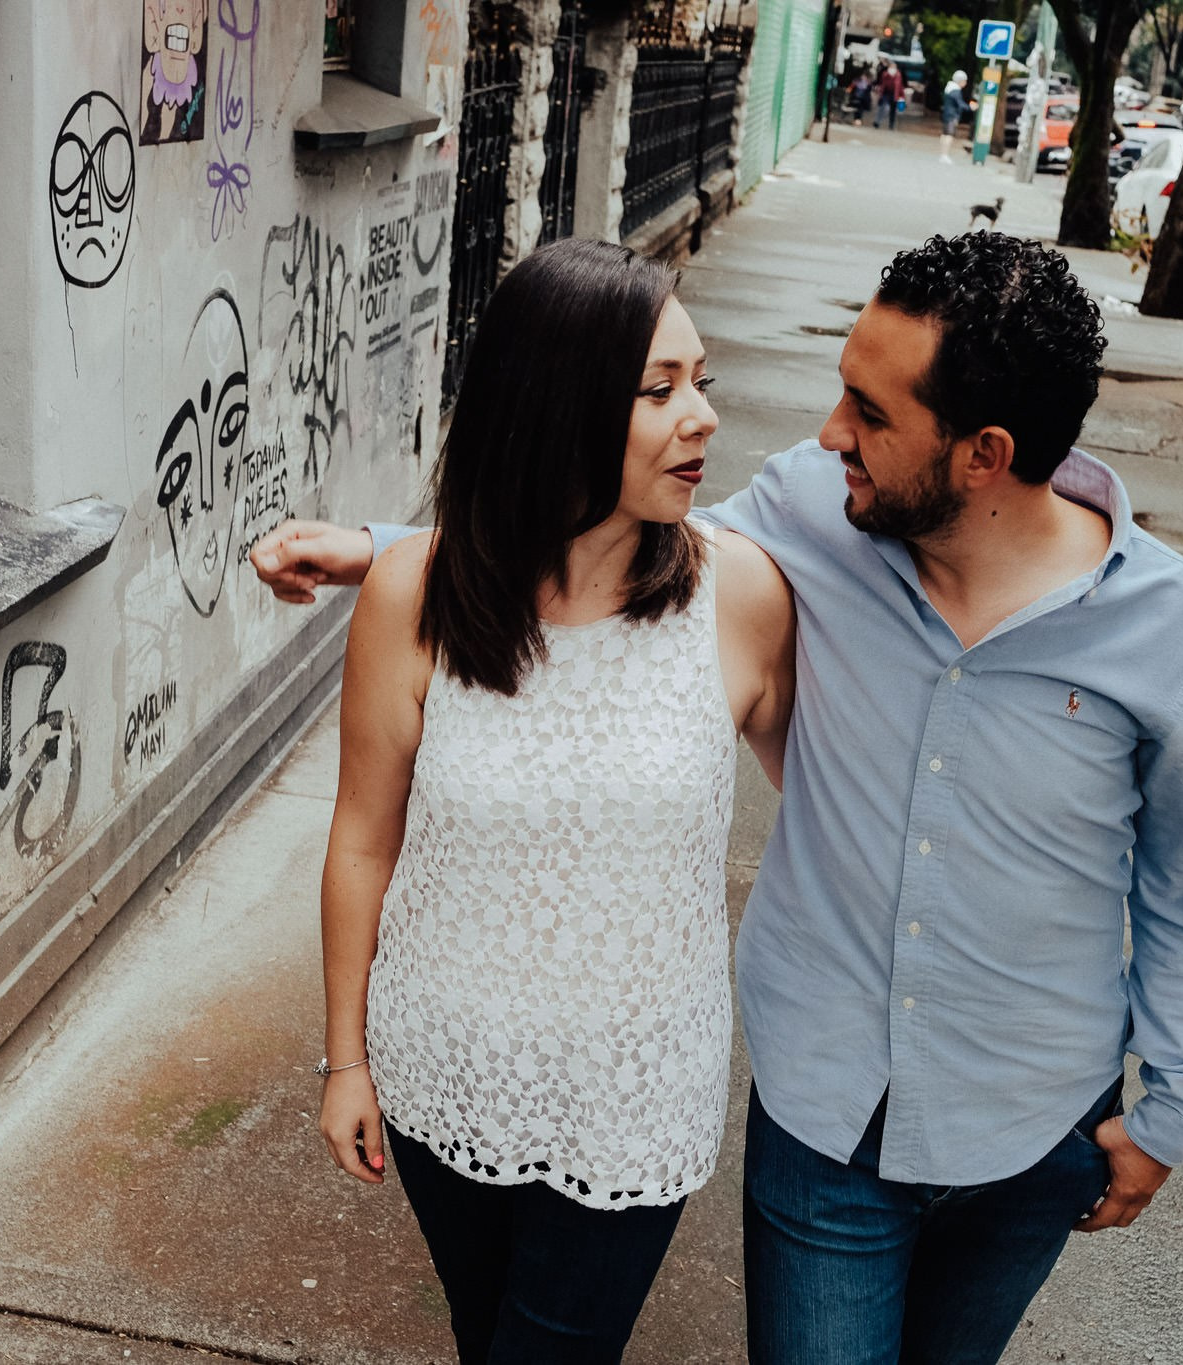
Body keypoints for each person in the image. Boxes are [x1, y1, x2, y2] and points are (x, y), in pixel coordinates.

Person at [257, 232, 1183, 1365]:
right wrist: (376, 551)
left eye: (867, 413)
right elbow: (577, 530)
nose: (826, 435)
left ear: (983, 455)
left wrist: (1174, 1110)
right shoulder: (811, 513)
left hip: (1033, 1125)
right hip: (826, 1110)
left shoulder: (1176, 636)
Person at [314, 235, 795, 1365]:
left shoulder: (739, 595)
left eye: (701, 382)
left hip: (634, 1094)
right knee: (484, 1333)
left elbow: (842, 805)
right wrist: (346, 1060)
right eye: (658, 390)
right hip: (442, 1068)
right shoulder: (413, 594)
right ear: (554, 404)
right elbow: (362, 841)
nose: (703, 418)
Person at [939, 69, 971, 162]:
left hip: (946, 114)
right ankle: (945, 155)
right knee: (949, 135)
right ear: (960, 81)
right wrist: (970, 107)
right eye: (964, 81)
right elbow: (960, 104)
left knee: (945, 135)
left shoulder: (949, 88)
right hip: (952, 115)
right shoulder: (955, 90)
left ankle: (943, 154)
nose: (965, 83)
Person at [874, 61, 905, 130]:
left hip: (895, 95)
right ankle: (877, 122)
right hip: (886, 94)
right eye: (891, 67)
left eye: (894, 67)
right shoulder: (885, 74)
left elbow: (900, 86)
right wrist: (880, 94)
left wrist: (902, 96)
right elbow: (882, 84)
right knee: (884, 108)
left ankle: (891, 125)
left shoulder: (898, 75)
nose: (892, 69)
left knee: (893, 111)